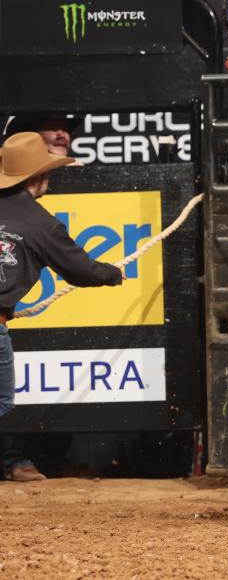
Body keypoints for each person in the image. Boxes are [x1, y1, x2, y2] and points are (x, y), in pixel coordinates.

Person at [0, 133, 123, 479]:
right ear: (36, 178)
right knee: (2, 402)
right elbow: (82, 271)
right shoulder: (40, 224)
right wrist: (114, 274)